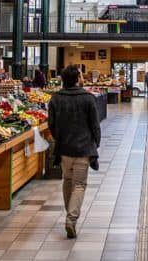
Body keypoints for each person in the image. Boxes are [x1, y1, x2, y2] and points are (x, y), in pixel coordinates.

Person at [48, 65, 101, 239]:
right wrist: (96, 143)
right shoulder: (88, 98)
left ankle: (69, 212)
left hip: (64, 149)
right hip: (83, 148)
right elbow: (95, 125)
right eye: (81, 75)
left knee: (67, 180)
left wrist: (59, 139)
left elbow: (51, 124)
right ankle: (71, 219)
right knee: (79, 185)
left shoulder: (56, 98)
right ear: (78, 78)